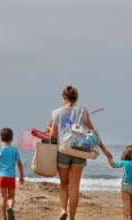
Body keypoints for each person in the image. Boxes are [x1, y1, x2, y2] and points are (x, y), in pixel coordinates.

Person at [50, 85, 113, 220]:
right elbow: (94, 134)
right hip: (80, 150)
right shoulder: (83, 111)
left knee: (63, 183)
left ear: (63, 97)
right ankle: (72, 218)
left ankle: (62, 210)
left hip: (63, 150)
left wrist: (49, 133)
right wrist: (105, 150)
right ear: (76, 98)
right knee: (75, 186)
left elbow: (54, 137)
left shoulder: (56, 113)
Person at [0, 128, 25, 220]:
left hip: (2, 177)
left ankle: (4, 217)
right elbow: (19, 164)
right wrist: (21, 176)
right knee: (11, 197)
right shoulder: (14, 150)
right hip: (11, 177)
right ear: (12, 138)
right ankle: (10, 208)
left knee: (3, 197)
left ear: (1, 138)